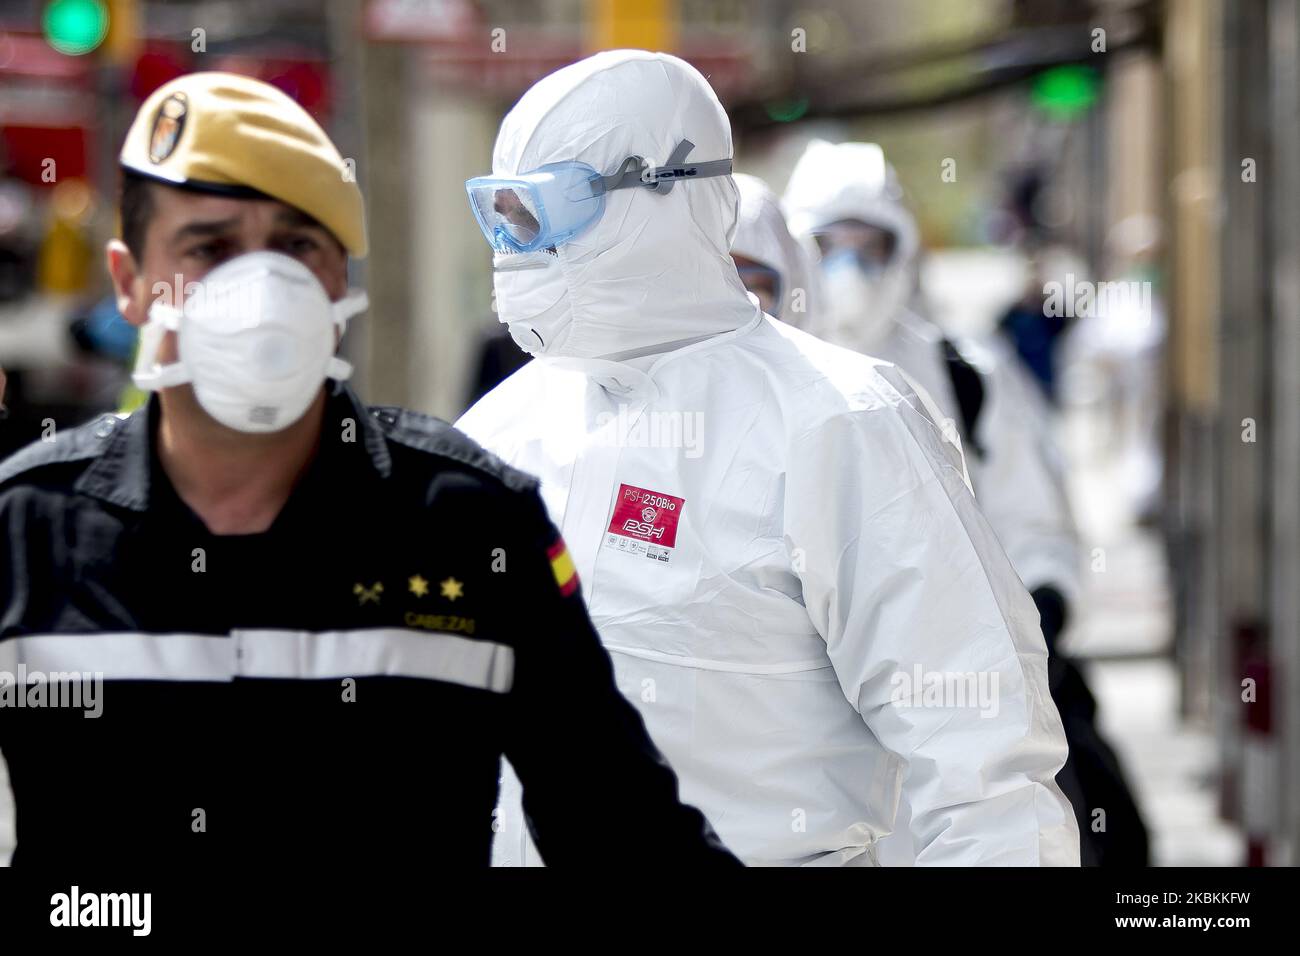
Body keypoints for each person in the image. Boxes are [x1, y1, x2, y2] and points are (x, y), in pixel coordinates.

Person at [0, 71, 739, 868]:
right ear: (130, 284)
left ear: (335, 279)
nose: (259, 287)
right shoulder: (28, 531)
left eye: (295, 246)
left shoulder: (469, 524)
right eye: (210, 248)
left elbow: (620, 828)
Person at [456, 49, 1079, 866]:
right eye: (502, 212)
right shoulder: (498, 433)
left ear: (667, 193)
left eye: (550, 208)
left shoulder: (839, 422)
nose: (518, 246)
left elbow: (984, 761)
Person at [781, 140, 1146, 866]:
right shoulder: (764, 379)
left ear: (905, 247)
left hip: (957, 704)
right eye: (829, 245)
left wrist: (1025, 625)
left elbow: (1036, 524)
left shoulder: (969, 375)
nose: (850, 268)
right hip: (806, 712)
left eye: (870, 244)